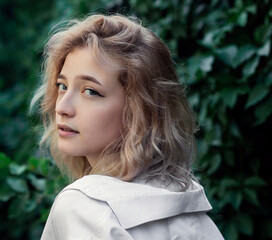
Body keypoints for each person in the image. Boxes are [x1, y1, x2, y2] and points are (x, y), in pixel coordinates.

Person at [32, 14, 224, 239]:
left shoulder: (84, 206)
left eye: (91, 91)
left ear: (139, 111)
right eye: (62, 86)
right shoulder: (196, 217)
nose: (62, 107)